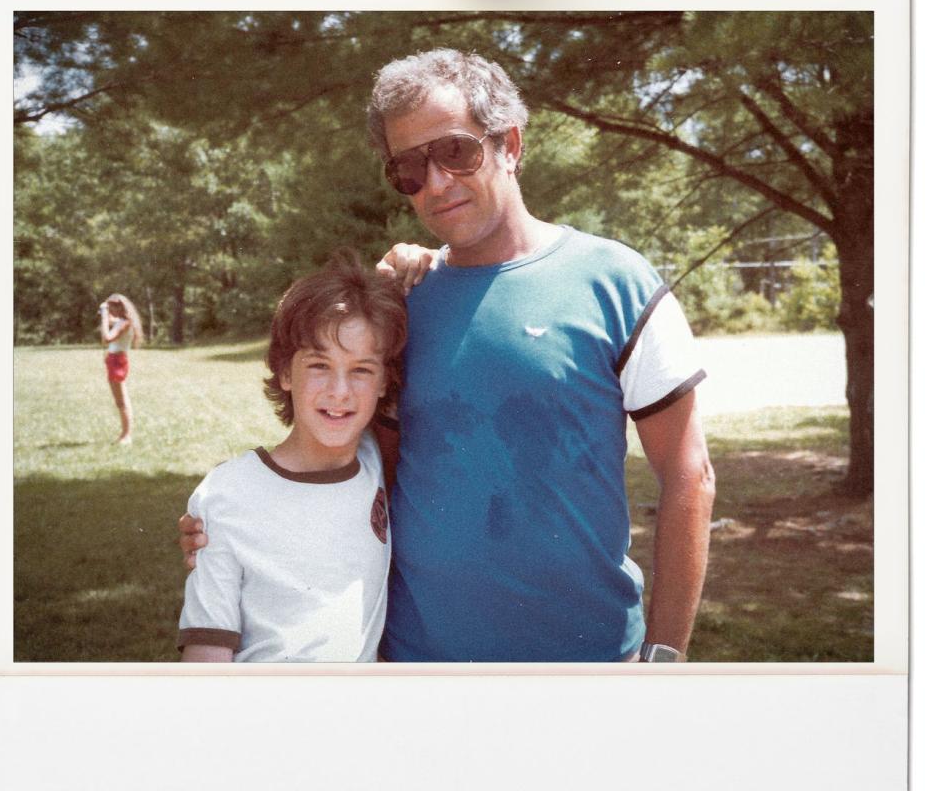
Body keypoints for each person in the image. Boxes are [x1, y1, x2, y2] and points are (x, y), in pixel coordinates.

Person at [181, 49, 715, 663]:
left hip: (587, 663)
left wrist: (665, 659)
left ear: (511, 144)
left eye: (456, 152)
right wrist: (226, 529)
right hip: (417, 667)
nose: (436, 183)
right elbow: (355, 464)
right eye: (408, 168)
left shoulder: (617, 282)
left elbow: (689, 478)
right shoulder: (400, 304)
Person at [178, 250, 407, 663]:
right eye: (319, 365)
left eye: (361, 370)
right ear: (285, 372)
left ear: (383, 383)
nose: (340, 390)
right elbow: (207, 651)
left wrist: (419, 259)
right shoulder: (226, 494)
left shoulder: (375, 461)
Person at [99, 293, 144, 445]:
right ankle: (124, 434)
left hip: (118, 361)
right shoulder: (120, 321)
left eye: (112, 307)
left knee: (122, 401)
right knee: (119, 401)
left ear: (119, 307)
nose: (110, 310)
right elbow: (112, 322)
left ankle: (127, 436)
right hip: (113, 360)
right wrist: (105, 314)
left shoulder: (126, 323)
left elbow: (107, 338)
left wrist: (104, 317)